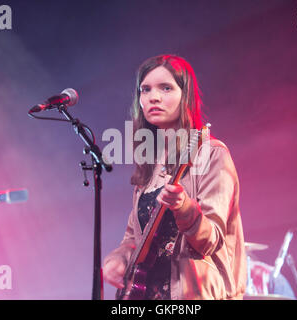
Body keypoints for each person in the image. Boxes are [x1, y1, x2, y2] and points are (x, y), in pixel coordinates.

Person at [103, 54, 246, 300]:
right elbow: (134, 238)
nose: (153, 97)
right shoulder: (149, 167)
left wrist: (184, 208)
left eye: (166, 88)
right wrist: (119, 258)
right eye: (145, 90)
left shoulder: (212, 154)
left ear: (185, 96)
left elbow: (211, 240)